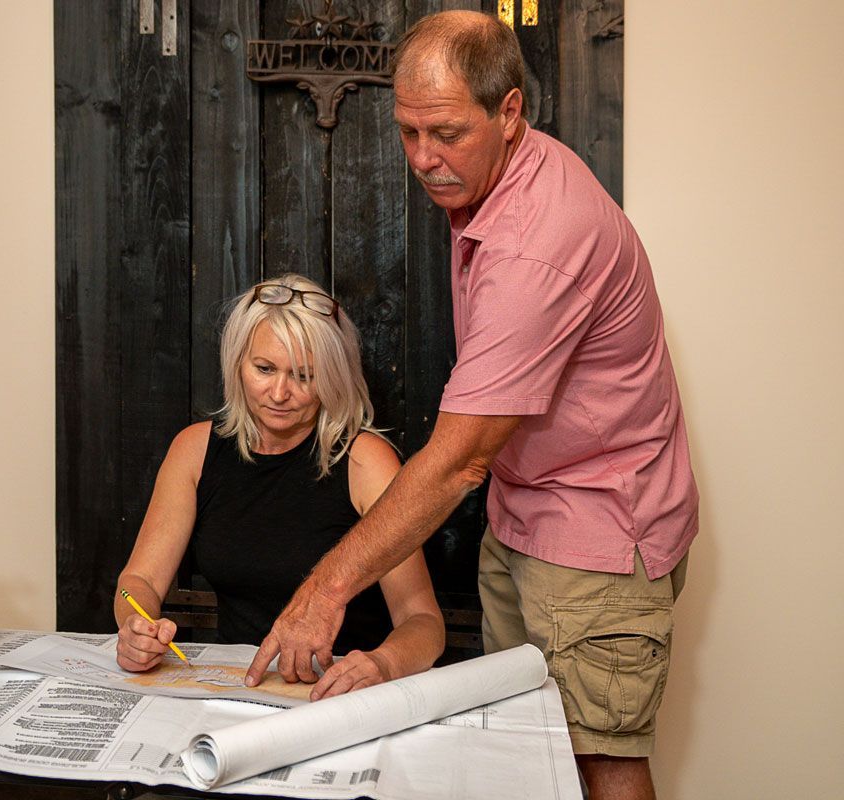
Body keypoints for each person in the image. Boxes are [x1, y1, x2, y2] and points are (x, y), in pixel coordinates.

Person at [244, 11, 698, 800]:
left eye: (447, 133)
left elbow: (458, 461)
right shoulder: (501, 176)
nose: (424, 159)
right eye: (408, 131)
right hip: (525, 510)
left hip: (595, 532)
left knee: (598, 761)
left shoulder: (536, 243)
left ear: (510, 111)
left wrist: (322, 594)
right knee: (528, 756)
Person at [114, 274, 445, 700]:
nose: (280, 393)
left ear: (332, 377)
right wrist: (134, 625)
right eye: (264, 369)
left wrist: (382, 664)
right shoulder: (194, 449)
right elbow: (136, 579)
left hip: (341, 694)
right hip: (232, 688)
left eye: (304, 376)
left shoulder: (366, 460)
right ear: (237, 363)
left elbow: (424, 622)